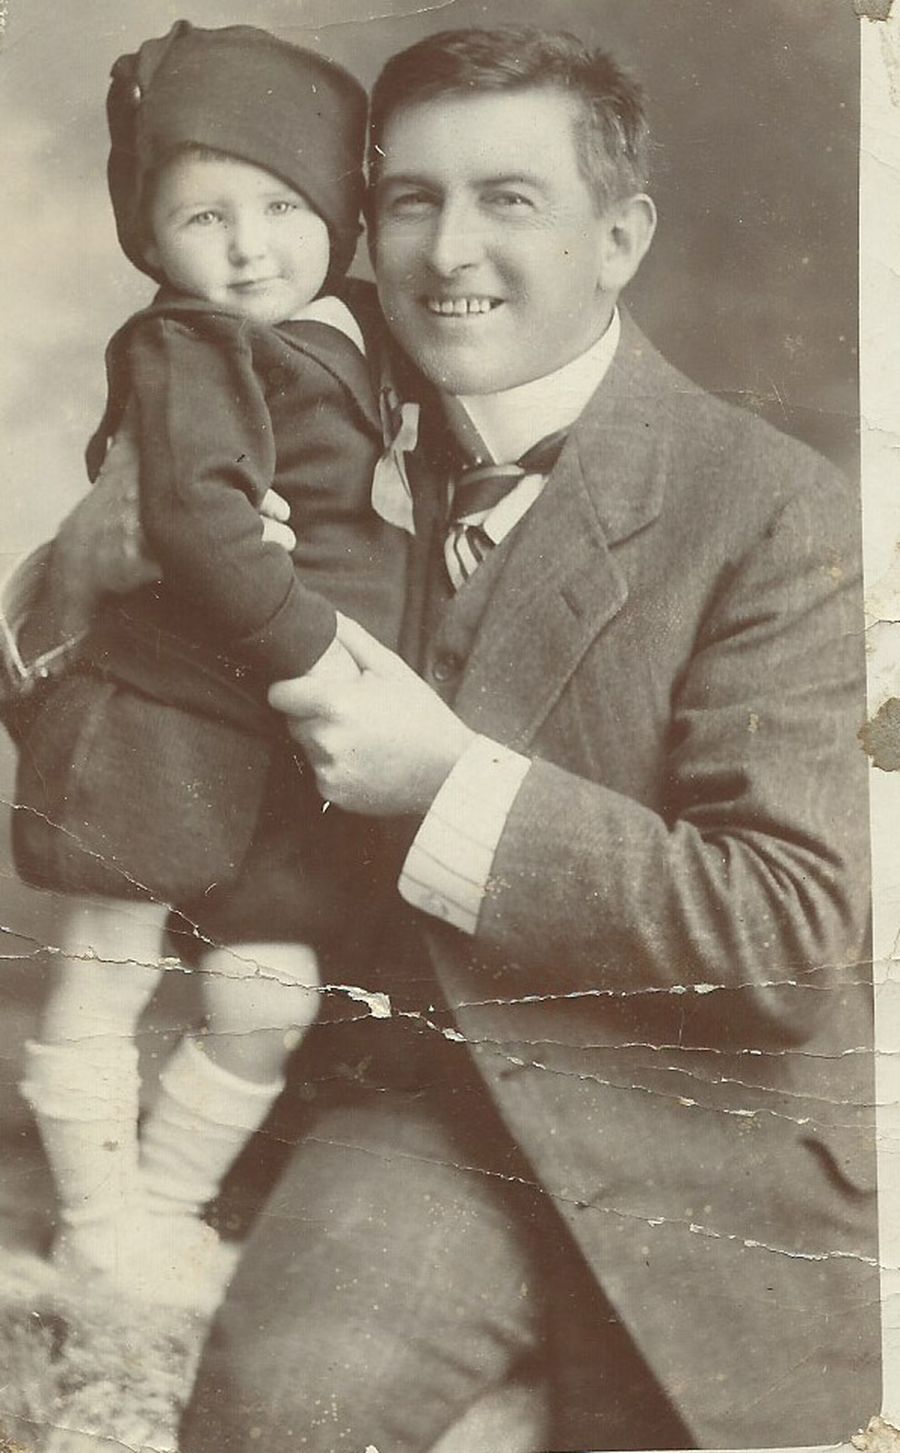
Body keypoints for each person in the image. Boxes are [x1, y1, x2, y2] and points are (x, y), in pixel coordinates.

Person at [1, 24, 879, 1452]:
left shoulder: (771, 507)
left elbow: (792, 936)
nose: (446, 250)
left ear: (622, 234)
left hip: (691, 1129)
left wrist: (450, 790)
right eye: (409, 199)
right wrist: (73, 575)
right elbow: (134, 670)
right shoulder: (296, 397)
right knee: (274, 1418)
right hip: (417, 1112)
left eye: (509, 199)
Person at [6, 20, 404, 1310]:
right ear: (152, 240)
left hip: (278, 750)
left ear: (338, 210)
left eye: (284, 205)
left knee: (269, 989)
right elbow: (195, 519)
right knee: (104, 977)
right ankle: (96, 1229)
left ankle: (165, 1214)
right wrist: (312, 657)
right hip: (176, 714)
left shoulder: (351, 332)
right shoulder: (187, 344)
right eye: (203, 217)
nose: (248, 248)